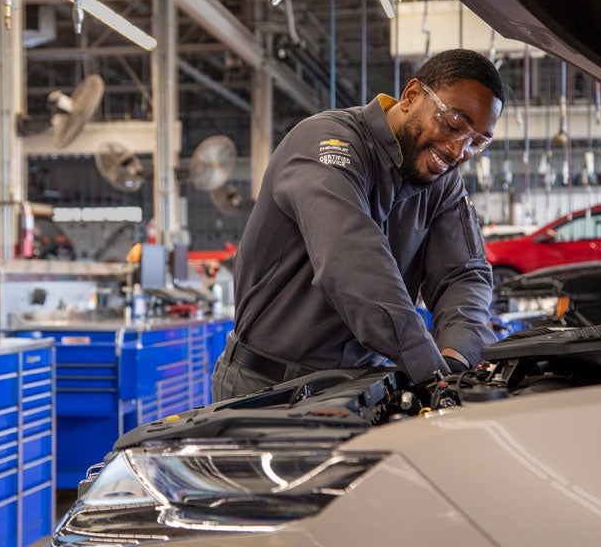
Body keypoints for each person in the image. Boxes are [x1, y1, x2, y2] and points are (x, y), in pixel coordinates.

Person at [212, 48, 505, 401]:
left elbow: (463, 274)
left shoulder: (441, 181)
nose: (458, 151)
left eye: (476, 143)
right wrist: (428, 368)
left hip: (360, 388)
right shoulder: (327, 143)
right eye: (453, 124)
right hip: (268, 389)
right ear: (412, 96)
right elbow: (350, 261)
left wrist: (457, 358)